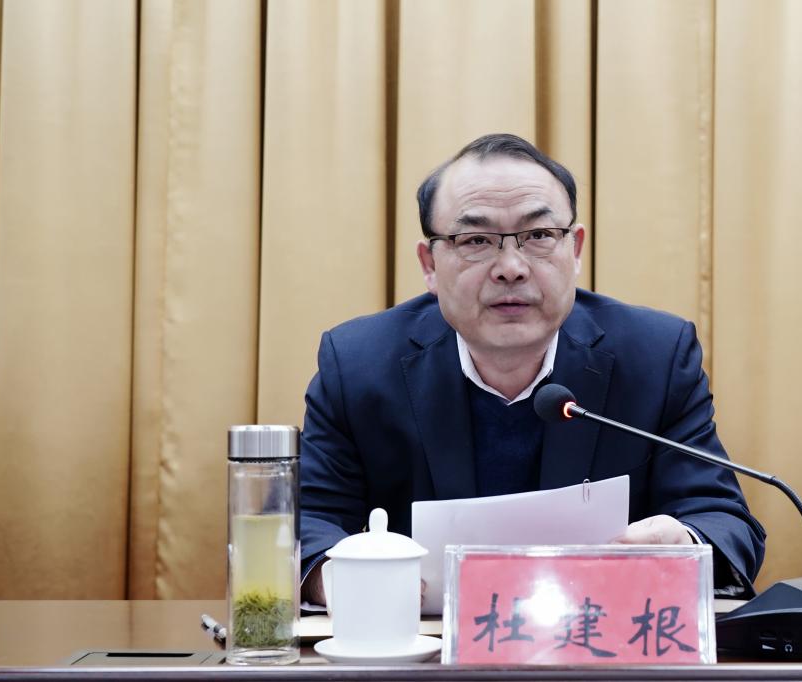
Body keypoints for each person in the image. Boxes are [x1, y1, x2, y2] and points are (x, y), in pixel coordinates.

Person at [300, 133, 765, 605]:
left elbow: (723, 521)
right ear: (429, 264)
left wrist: (683, 544)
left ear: (575, 250)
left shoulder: (654, 357)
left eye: (539, 236)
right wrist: (338, 579)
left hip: (601, 643)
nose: (511, 267)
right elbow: (307, 525)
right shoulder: (358, 365)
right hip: (422, 644)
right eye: (475, 240)